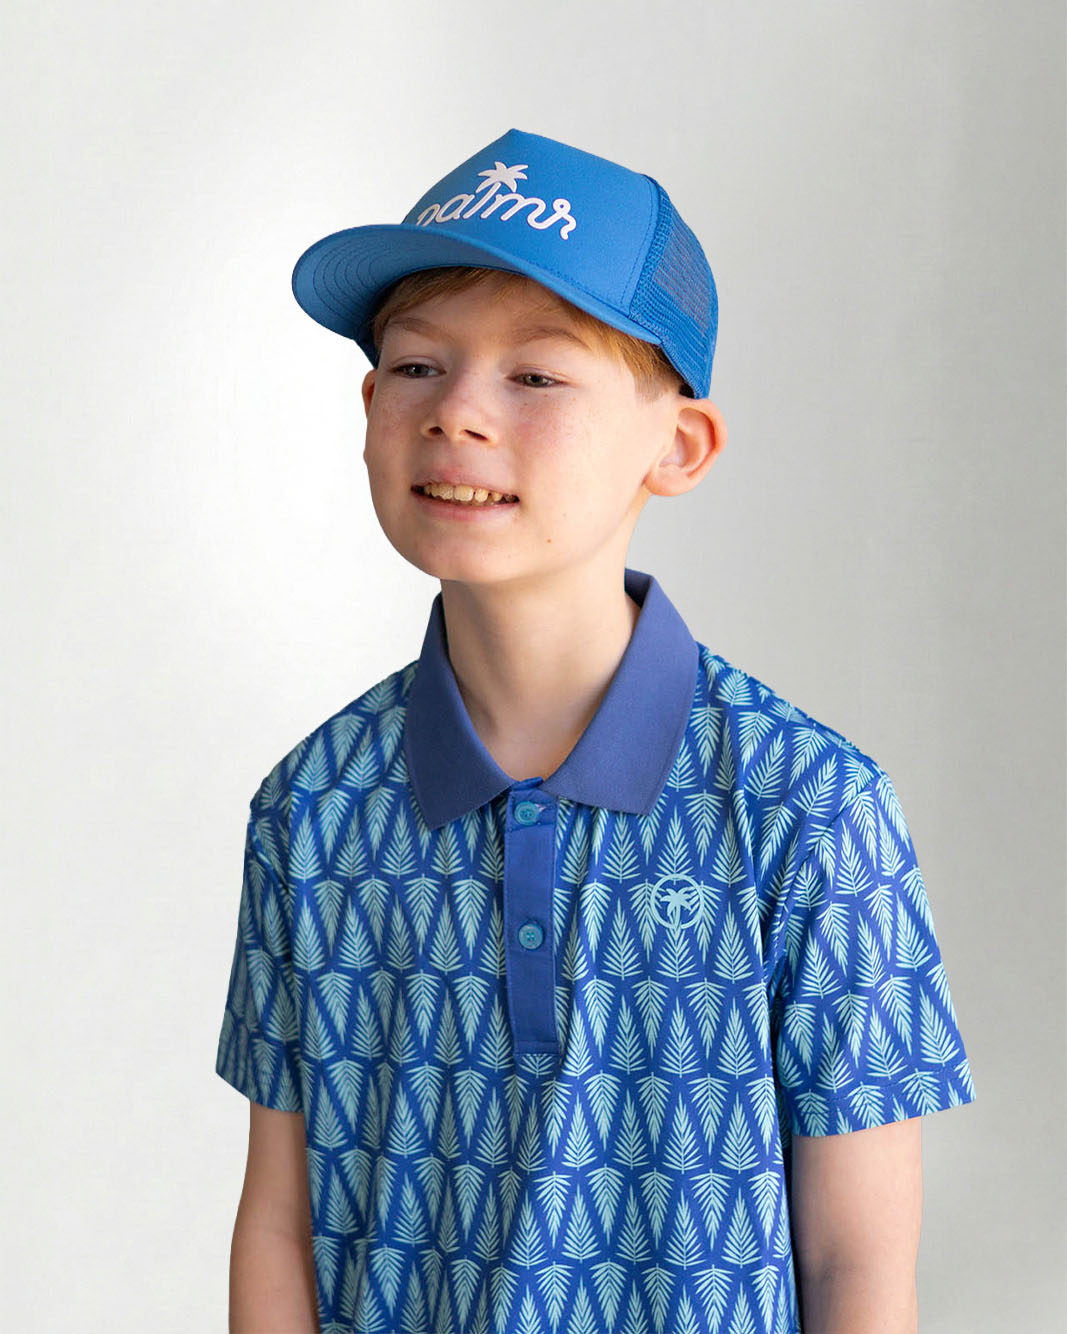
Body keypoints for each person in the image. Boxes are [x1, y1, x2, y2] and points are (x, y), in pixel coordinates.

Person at [215, 126, 976, 1334]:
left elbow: (856, 1266)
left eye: (536, 375)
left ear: (676, 448)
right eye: (416, 365)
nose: (459, 412)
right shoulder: (310, 807)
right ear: (368, 406)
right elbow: (278, 1219)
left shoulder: (806, 807)